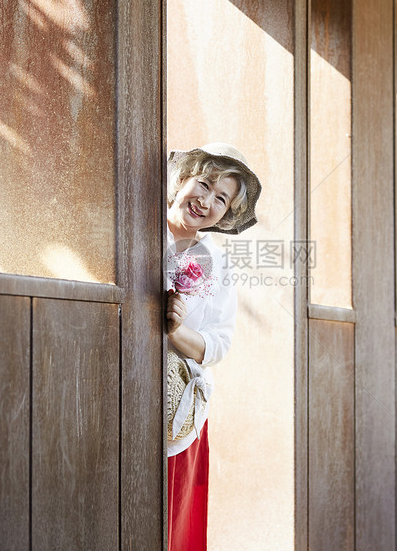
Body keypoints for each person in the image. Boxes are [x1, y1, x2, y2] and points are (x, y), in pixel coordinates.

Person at [164, 143, 261, 551]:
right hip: (111, 394)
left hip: (174, 413)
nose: (206, 201)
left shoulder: (211, 261)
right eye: (203, 184)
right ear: (181, 180)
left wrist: (176, 330)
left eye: (221, 198)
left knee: (169, 524)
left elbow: (220, 343)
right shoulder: (132, 229)